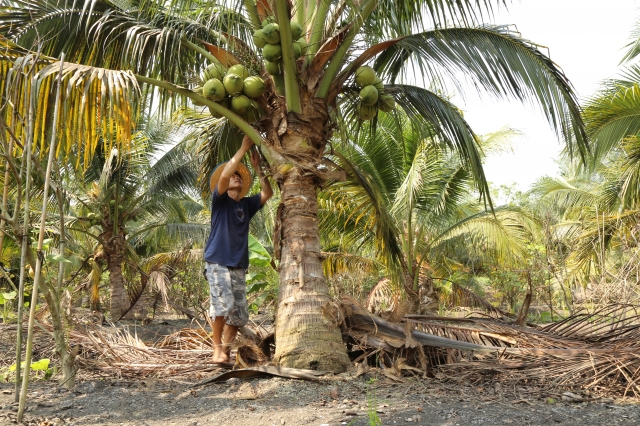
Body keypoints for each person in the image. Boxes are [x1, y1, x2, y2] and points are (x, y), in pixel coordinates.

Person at [204, 135, 273, 364]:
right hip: (218, 260)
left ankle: (226, 351)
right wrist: (243, 148)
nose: (235, 177)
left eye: (239, 176)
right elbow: (224, 174)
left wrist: (259, 169)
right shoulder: (220, 201)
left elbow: (267, 194)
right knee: (222, 304)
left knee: (238, 313)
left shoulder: (246, 205)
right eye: (233, 175)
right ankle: (216, 350)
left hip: (239, 264)